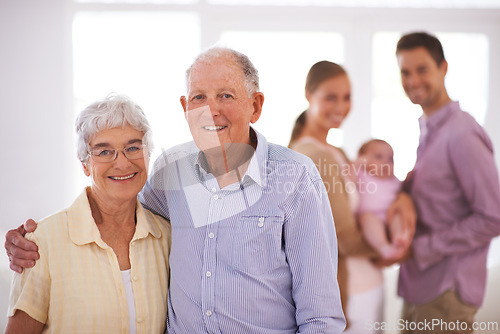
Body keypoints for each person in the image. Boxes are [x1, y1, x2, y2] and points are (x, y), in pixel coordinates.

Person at [5, 48, 346, 333]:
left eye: (225, 95)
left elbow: (321, 318)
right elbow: (119, 205)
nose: (211, 109)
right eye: (199, 97)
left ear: (255, 105)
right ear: (185, 108)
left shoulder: (296, 178)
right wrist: (38, 241)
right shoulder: (170, 170)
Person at [5, 94, 171, 333]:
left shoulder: (165, 237)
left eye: (133, 148)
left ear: (147, 154)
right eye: (104, 152)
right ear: (84, 164)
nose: (122, 163)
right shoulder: (43, 242)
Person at [288, 61, 415, 332]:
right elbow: (343, 238)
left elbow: (374, 194)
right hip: (354, 291)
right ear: (309, 95)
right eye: (330, 97)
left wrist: (401, 199)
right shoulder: (316, 156)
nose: (341, 107)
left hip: (365, 285)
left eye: (347, 97)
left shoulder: (335, 151)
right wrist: (392, 251)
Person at [395, 31, 500, 333]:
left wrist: (423, 247)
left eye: (422, 69)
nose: (413, 80)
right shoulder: (430, 129)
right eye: (405, 72)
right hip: (421, 286)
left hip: (446, 292)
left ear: (443, 68)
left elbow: (492, 217)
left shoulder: (462, 133)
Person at [355, 139, 408, 260]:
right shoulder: (362, 174)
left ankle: (400, 239)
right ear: (363, 159)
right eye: (378, 157)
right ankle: (383, 246)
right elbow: (349, 173)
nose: (385, 162)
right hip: (370, 215)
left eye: (390, 160)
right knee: (367, 220)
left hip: (391, 213)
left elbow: (405, 189)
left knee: (399, 217)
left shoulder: (394, 180)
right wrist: (358, 162)